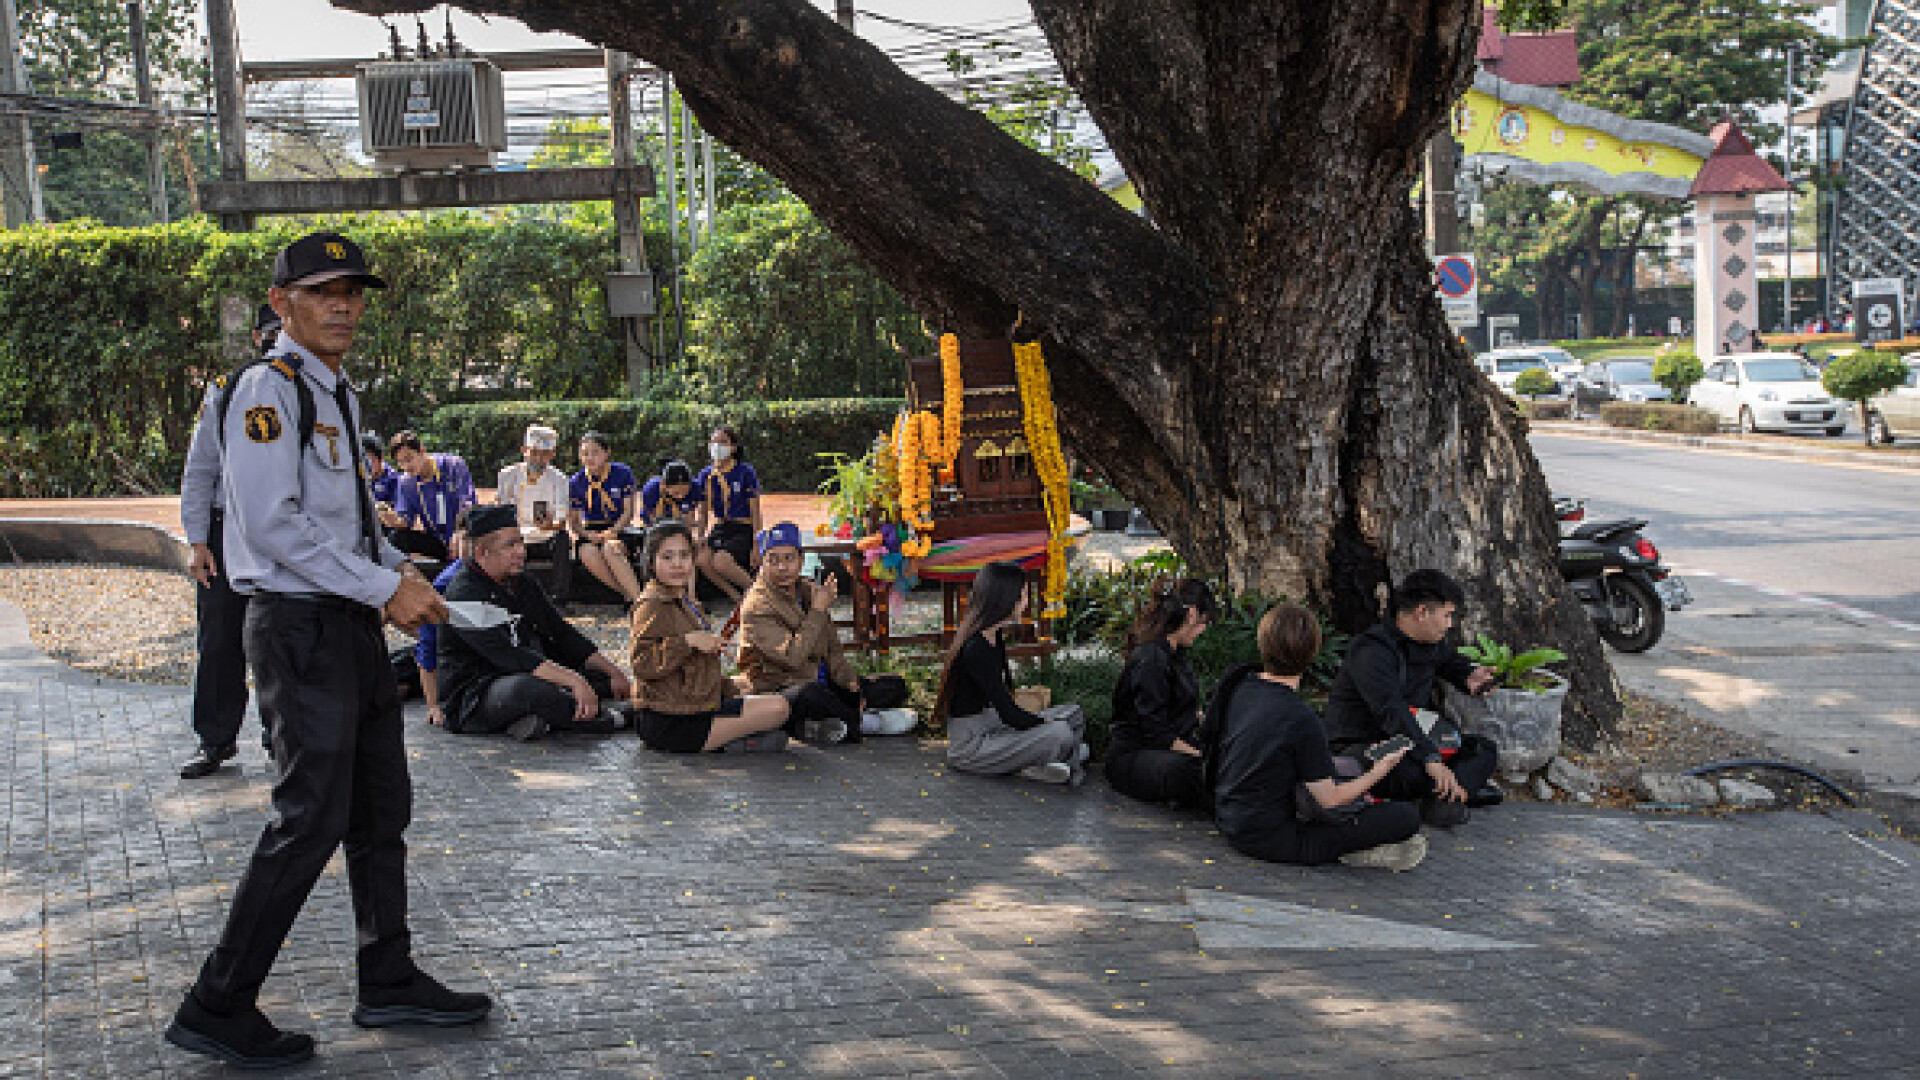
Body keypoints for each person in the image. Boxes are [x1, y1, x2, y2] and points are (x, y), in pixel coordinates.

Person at [165, 231, 489, 1070]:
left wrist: (399, 573)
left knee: (380, 809)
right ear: (282, 304)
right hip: (298, 628)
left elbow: (345, 522)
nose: (342, 307)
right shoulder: (266, 392)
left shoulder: (333, 390)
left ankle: (388, 976)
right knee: (309, 818)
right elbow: (273, 526)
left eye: (352, 293)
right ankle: (217, 1002)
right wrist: (383, 588)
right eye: (322, 293)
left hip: (345, 623)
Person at [1207, 604, 1426, 870]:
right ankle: (1356, 852)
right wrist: (1380, 770)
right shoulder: (1301, 718)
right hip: (1271, 838)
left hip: (1227, 815)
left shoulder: (1241, 685)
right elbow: (1330, 799)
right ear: (1313, 652)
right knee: (1405, 817)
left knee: (1356, 760)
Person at [176, 303, 282, 779]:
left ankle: (282, 736)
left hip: (284, 530)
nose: (278, 341)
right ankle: (215, 740)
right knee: (220, 640)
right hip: (227, 531)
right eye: (271, 333)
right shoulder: (229, 389)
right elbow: (200, 470)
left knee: (283, 639)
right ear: (258, 338)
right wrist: (198, 541)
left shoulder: (318, 389)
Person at [1321, 569, 1501, 828]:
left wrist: (1470, 676)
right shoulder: (1371, 651)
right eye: (1446, 615)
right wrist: (1430, 758)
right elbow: (1391, 712)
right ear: (1422, 612)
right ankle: (1450, 795)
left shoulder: (1430, 642)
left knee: (1483, 750)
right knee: (1403, 769)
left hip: (1413, 740)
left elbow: (1450, 662)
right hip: (1367, 746)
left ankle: (1448, 798)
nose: (1450, 624)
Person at [435, 505, 632, 740]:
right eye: (510, 546)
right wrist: (573, 680)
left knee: (597, 677)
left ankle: (539, 718)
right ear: (481, 553)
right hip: (477, 693)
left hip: (524, 669)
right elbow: (511, 655)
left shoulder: (521, 581)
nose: (521, 552)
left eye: (521, 543)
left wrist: (613, 671)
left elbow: (559, 630)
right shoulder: (463, 594)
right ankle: (609, 719)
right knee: (527, 689)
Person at [628, 522, 797, 753]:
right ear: (651, 562)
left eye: (684, 555)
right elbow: (641, 664)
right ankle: (727, 743)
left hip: (693, 706)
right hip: (670, 720)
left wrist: (728, 684)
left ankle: (733, 739)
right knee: (779, 708)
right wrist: (688, 642)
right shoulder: (652, 603)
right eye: (667, 557)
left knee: (760, 691)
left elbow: (690, 670)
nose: (677, 564)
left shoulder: (685, 599)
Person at [934, 561, 1088, 784]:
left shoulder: (994, 635)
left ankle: (1044, 761)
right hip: (972, 746)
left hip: (993, 725)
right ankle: (1052, 759)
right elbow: (1009, 714)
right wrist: (1044, 723)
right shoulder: (975, 648)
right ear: (1006, 599)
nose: (1026, 603)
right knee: (1060, 733)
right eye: (1023, 596)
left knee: (1073, 714)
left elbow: (1007, 712)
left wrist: (1043, 722)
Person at [737, 522, 863, 744]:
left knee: (891, 686)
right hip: (780, 688)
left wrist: (849, 681)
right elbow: (792, 657)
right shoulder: (757, 605)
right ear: (762, 563)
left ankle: (842, 720)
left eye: (789, 559)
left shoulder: (806, 589)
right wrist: (817, 611)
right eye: (773, 560)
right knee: (810, 695)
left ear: (801, 560)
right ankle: (858, 722)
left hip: (820, 680)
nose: (782, 567)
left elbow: (832, 646)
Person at [1104, 578, 1218, 808]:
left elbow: (1183, 709)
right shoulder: (1151, 658)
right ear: (1192, 615)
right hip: (1136, 755)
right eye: (1205, 622)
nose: (1203, 630)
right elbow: (1156, 733)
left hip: (1164, 749)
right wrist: (1200, 755)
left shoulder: (1175, 654)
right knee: (1195, 770)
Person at [495, 423, 573, 601]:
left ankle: (560, 596)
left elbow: (562, 518)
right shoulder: (507, 475)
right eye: (534, 453)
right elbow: (501, 510)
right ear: (524, 451)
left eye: (545, 454)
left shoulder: (560, 479)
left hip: (546, 536)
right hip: (517, 536)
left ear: (552, 455)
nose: (538, 459)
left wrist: (550, 525)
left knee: (563, 539)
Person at [413, 507, 473, 728]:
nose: (473, 548)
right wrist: (434, 705)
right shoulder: (445, 585)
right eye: (466, 539)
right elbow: (427, 646)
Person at [567, 431, 643, 604]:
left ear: (607, 452)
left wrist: (613, 531)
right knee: (586, 552)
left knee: (611, 548)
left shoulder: (622, 473)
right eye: (585, 453)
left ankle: (639, 599)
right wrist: (587, 535)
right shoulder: (576, 481)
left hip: (619, 527)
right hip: (591, 529)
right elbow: (574, 523)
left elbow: (628, 511)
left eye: (595, 452)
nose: (590, 458)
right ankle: (627, 594)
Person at [381, 430, 475, 563]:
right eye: (400, 462)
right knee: (396, 537)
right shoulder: (406, 482)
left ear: (421, 451)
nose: (406, 466)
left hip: (460, 536)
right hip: (437, 541)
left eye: (409, 459)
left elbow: (468, 503)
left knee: (470, 535)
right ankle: (406, 571)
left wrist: (461, 530)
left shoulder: (453, 466)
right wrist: (391, 518)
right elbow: (406, 520)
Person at [693, 425, 760, 602]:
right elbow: (703, 512)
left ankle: (759, 592)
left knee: (721, 561)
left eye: (723, 442)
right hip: (722, 525)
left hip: (743, 526)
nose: (717, 446)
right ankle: (735, 595)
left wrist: (757, 545)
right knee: (701, 559)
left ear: (733, 447)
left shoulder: (745, 472)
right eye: (713, 442)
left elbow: (756, 512)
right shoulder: (706, 475)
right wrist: (700, 536)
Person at [639, 459, 698, 526]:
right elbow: (651, 521)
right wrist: (662, 499)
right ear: (664, 485)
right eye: (677, 492)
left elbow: (689, 519)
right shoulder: (651, 489)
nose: (681, 496)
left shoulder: (695, 487)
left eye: (685, 491)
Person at [363, 433, 403, 509]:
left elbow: (396, 510)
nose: (367, 466)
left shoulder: (393, 479)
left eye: (371, 461)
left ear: (381, 458)